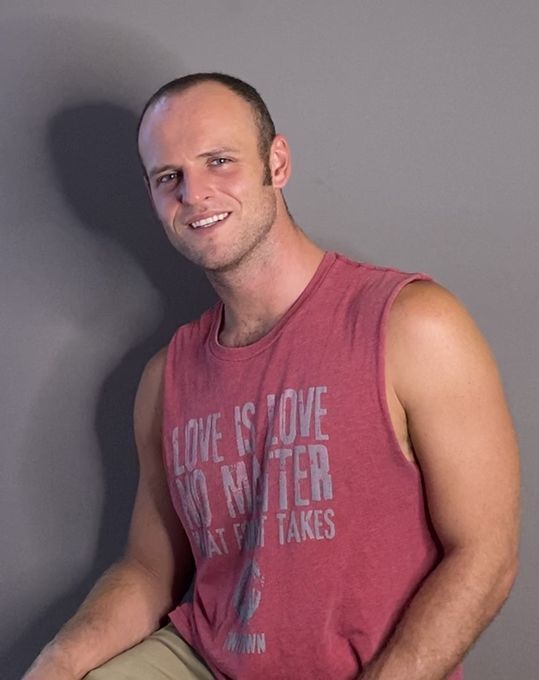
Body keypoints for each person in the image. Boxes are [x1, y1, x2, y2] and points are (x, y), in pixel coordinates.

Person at [24, 72, 520, 680]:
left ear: (276, 163)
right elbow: (150, 569)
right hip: (205, 659)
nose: (194, 193)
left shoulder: (412, 325)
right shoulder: (165, 379)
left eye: (219, 160)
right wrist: (55, 666)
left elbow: (485, 556)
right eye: (168, 176)